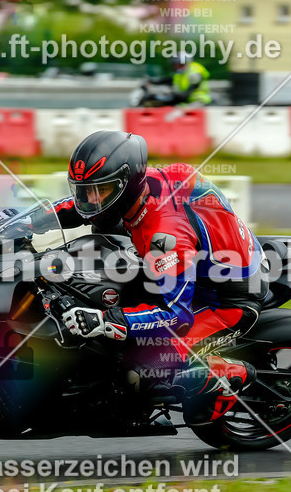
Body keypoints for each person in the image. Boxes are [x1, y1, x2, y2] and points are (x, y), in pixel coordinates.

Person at [45, 130, 266, 425]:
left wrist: (105, 320)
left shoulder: (165, 236)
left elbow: (176, 316)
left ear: (126, 186)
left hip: (224, 299)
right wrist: (29, 220)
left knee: (152, 360)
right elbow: (80, 207)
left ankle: (229, 375)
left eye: (101, 190)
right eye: (86, 190)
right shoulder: (140, 186)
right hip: (194, 262)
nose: (90, 200)